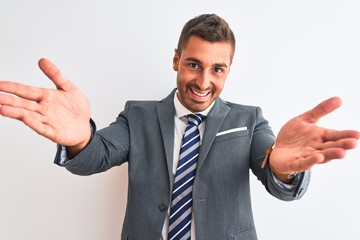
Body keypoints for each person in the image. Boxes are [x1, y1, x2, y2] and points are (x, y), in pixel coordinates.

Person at [0, 13, 358, 240]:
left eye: (217, 69)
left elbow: (273, 174)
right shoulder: (138, 116)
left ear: (228, 70)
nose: (204, 81)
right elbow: (98, 154)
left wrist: (280, 167)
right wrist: (81, 139)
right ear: (176, 60)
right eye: (193, 64)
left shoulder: (248, 120)